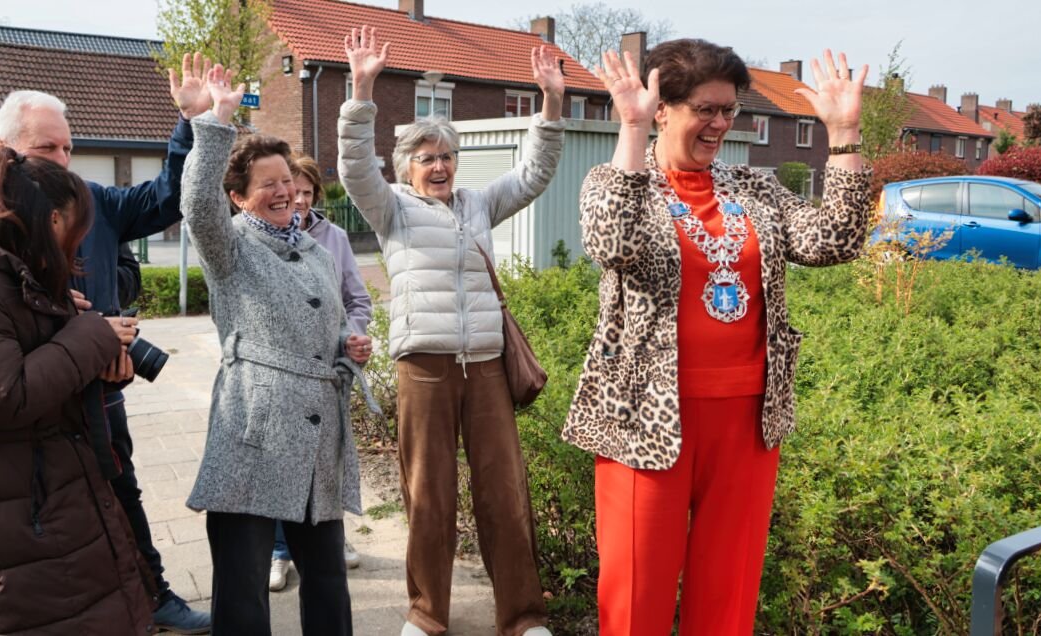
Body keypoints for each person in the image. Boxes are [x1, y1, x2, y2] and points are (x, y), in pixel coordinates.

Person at [0, 17, 211, 633]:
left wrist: (189, 125)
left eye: (68, 147)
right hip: (11, 431)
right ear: (3, 154)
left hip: (97, 402)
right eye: (46, 151)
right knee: (39, 556)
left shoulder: (90, 199)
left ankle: (152, 595)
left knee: (120, 498)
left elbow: (167, 197)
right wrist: (26, 341)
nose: (64, 162)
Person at [561, 42, 872, 634]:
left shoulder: (752, 187)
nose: (721, 124)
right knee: (636, 591)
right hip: (643, 414)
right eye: (706, 109)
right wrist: (628, 128)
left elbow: (833, 240)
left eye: (729, 111)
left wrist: (846, 136)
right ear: (663, 109)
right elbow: (613, 244)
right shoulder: (617, 182)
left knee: (728, 590)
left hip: (749, 418)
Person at [337, 26, 563, 636]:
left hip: (487, 366)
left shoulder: (479, 205)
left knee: (505, 497)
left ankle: (522, 618)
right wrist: (360, 87)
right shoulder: (392, 210)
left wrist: (550, 104)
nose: (439, 166)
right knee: (429, 497)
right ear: (407, 167)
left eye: (446, 156)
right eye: (426, 157)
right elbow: (354, 165)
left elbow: (535, 173)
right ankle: (426, 616)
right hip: (425, 369)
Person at [0, 147, 152, 634]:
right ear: (46, 221)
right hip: (12, 502)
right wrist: (93, 335)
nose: (77, 244)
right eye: (73, 229)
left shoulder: (16, 277)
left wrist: (100, 366)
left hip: (45, 484)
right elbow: (5, 394)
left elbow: (43, 365)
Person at [180, 64, 374, 635]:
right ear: (238, 198)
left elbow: (329, 320)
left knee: (328, 578)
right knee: (242, 584)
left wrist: (348, 346)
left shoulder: (313, 248)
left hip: (319, 435)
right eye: (267, 183)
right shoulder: (229, 248)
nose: (284, 190)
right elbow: (195, 204)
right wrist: (213, 120)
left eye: (286, 179)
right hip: (254, 427)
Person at [268, 153, 371, 592]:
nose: (300, 199)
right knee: (282, 462)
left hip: (330, 371)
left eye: (308, 192)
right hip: (285, 375)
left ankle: (332, 537)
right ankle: (279, 552)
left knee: (327, 461)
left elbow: (357, 300)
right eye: (295, 190)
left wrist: (354, 336)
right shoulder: (264, 238)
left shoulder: (335, 238)